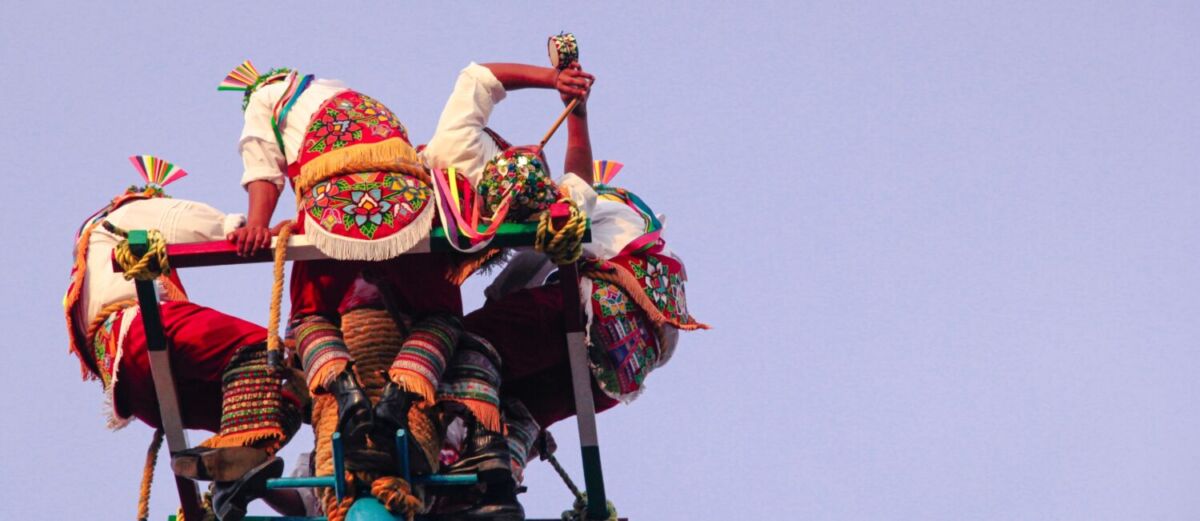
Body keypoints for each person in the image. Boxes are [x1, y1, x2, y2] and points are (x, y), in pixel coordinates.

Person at [422, 59, 706, 517]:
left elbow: (577, 185)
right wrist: (570, 103)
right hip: (618, 375)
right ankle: (491, 495)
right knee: (516, 410)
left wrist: (569, 104)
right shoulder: (568, 226)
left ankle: (481, 460)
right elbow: (576, 186)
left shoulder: (554, 210)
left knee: (467, 344)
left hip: (595, 313)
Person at [218, 61, 464, 451]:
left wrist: (257, 224)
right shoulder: (352, 98)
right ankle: (399, 398)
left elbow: (262, 162)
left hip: (333, 207)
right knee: (442, 316)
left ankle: (346, 391)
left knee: (309, 318)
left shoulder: (264, 99)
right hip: (406, 203)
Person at [63, 157, 301, 521]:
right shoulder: (131, 211)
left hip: (137, 393)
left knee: (271, 405)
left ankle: (235, 486)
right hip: (140, 333)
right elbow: (183, 219)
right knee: (258, 346)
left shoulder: (86, 264)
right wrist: (238, 227)